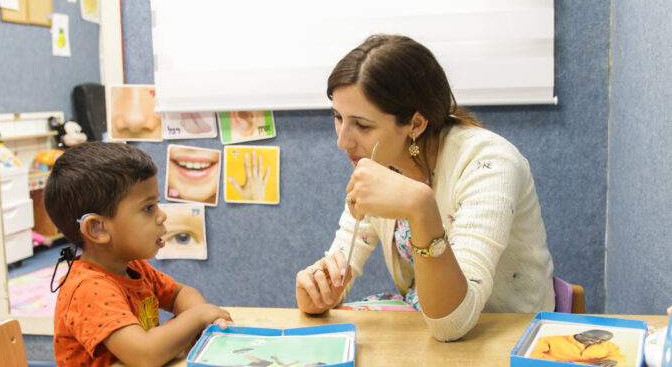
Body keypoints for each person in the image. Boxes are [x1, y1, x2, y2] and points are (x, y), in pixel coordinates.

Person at [294, 34, 555, 342]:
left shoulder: (489, 162)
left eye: (362, 125)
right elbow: (343, 258)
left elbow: (453, 324)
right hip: (427, 320)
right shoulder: (380, 161)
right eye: (338, 117)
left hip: (504, 331)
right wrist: (316, 289)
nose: (342, 140)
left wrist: (420, 207)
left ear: (416, 124)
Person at [44, 141, 232, 367]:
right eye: (148, 207)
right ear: (98, 229)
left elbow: (179, 293)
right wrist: (199, 316)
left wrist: (197, 325)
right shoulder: (88, 289)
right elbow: (145, 355)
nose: (162, 215)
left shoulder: (134, 267)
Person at [529, 329, 626, 366]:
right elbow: (531, 353)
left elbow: (617, 355)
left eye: (602, 341)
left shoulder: (609, 346)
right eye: (594, 338)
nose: (598, 342)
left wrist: (612, 360)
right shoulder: (550, 340)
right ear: (582, 334)